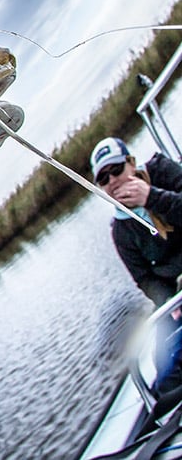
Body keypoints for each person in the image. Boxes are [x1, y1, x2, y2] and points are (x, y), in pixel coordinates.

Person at [92, 136, 182, 394]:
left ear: (131, 164)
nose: (113, 181)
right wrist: (169, 304)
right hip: (175, 292)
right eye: (104, 179)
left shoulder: (162, 172)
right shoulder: (121, 232)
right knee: (166, 368)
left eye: (117, 170)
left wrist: (151, 198)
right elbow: (143, 278)